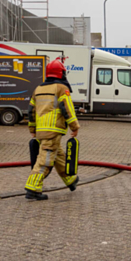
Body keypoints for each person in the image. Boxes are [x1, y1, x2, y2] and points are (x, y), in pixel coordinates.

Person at [25, 57, 79, 200]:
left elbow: (31, 110)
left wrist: (32, 129)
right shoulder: (61, 88)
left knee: (59, 156)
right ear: (61, 74)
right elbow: (67, 108)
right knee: (45, 160)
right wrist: (74, 126)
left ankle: (70, 180)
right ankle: (33, 188)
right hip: (54, 129)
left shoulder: (38, 89)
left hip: (42, 131)